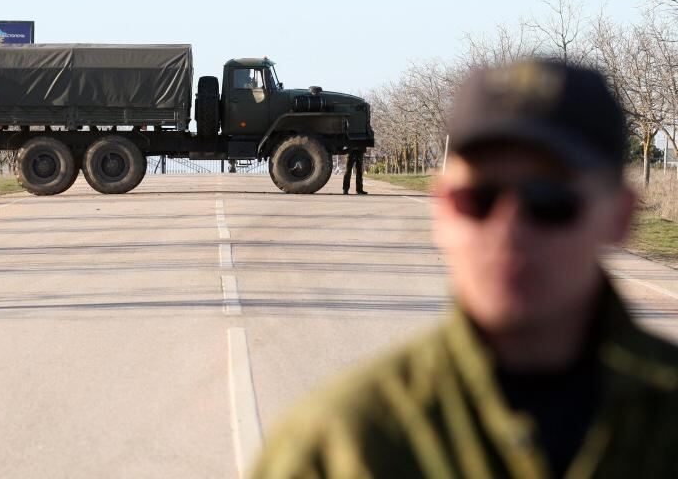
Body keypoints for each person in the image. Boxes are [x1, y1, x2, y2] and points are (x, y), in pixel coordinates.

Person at [251, 60, 678, 478]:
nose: (508, 229)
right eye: (478, 200)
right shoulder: (339, 449)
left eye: (549, 201)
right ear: (442, 211)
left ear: (620, 216)